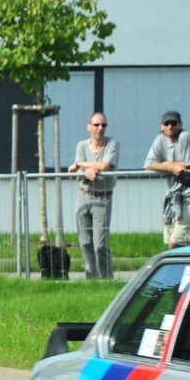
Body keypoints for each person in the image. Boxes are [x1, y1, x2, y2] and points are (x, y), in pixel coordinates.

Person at [145, 110, 190, 249]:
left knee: (178, 242)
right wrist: (171, 166)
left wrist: (162, 164)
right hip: (173, 197)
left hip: (189, 196)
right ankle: (179, 269)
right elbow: (148, 165)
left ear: (180, 124)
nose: (170, 126)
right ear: (161, 126)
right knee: (171, 243)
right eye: (166, 123)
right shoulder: (160, 139)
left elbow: (188, 173)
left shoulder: (185, 137)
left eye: (173, 123)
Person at [68, 113, 119, 279]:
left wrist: (81, 165)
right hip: (83, 195)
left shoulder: (112, 143)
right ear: (89, 126)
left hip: (103, 198)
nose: (100, 129)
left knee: (100, 244)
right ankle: (91, 279)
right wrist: (87, 170)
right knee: (85, 242)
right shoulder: (82, 146)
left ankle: (106, 279)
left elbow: (104, 165)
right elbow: (79, 175)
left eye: (104, 125)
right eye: (97, 125)